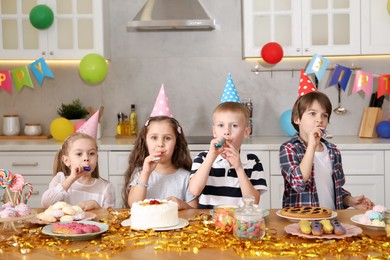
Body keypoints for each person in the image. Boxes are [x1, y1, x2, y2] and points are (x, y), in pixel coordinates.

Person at [279, 91, 374, 210]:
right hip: (301, 222)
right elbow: (298, 183)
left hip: (331, 219)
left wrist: (350, 200)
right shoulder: (289, 148)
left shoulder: (333, 150)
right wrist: (312, 146)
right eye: (312, 113)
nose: (319, 119)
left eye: (324, 115)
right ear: (297, 119)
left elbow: (334, 189)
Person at [189, 101, 268, 208]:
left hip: (239, 222)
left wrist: (239, 168)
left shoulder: (252, 162)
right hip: (208, 222)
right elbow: (194, 190)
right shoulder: (202, 158)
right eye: (221, 125)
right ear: (214, 131)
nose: (226, 131)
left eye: (234, 125)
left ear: (246, 132)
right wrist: (211, 157)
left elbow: (254, 203)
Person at [123, 116, 197, 210]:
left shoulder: (186, 178)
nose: (160, 143)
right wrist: (146, 173)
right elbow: (134, 204)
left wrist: (182, 205)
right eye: (154, 137)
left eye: (167, 138)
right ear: (145, 141)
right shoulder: (140, 173)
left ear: (176, 144)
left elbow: (194, 212)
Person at [41, 132, 115, 210]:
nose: (86, 158)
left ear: (96, 158)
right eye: (79, 154)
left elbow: (110, 218)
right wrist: (71, 179)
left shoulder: (106, 188)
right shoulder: (60, 179)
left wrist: (97, 207)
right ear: (66, 160)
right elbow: (46, 203)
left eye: (91, 153)